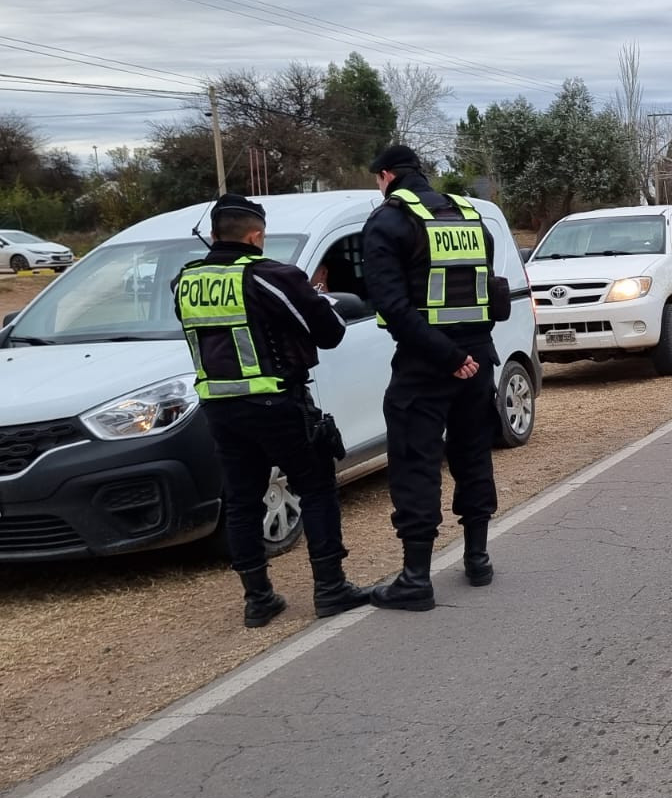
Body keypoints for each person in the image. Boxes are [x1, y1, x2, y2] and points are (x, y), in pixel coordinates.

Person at [171, 194, 369, 628]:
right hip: (277, 402)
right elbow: (331, 332)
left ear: (214, 234)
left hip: (220, 409)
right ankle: (331, 589)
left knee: (242, 501)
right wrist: (317, 299)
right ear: (256, 235)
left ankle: (258, 599)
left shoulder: (185, 281)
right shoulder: (270, 276)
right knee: (316, 490)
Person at [363, 145, 500, 610]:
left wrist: (446, 355)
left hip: (427, 360)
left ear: (385, 176)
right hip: (478, 355)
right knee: (473, 454)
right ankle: (477, 558)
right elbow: (489, 291)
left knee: (415, 462)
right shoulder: (468, 214)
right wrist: (466, 353)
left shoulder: (389, 220)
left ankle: (415, 578)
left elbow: (393, 307)